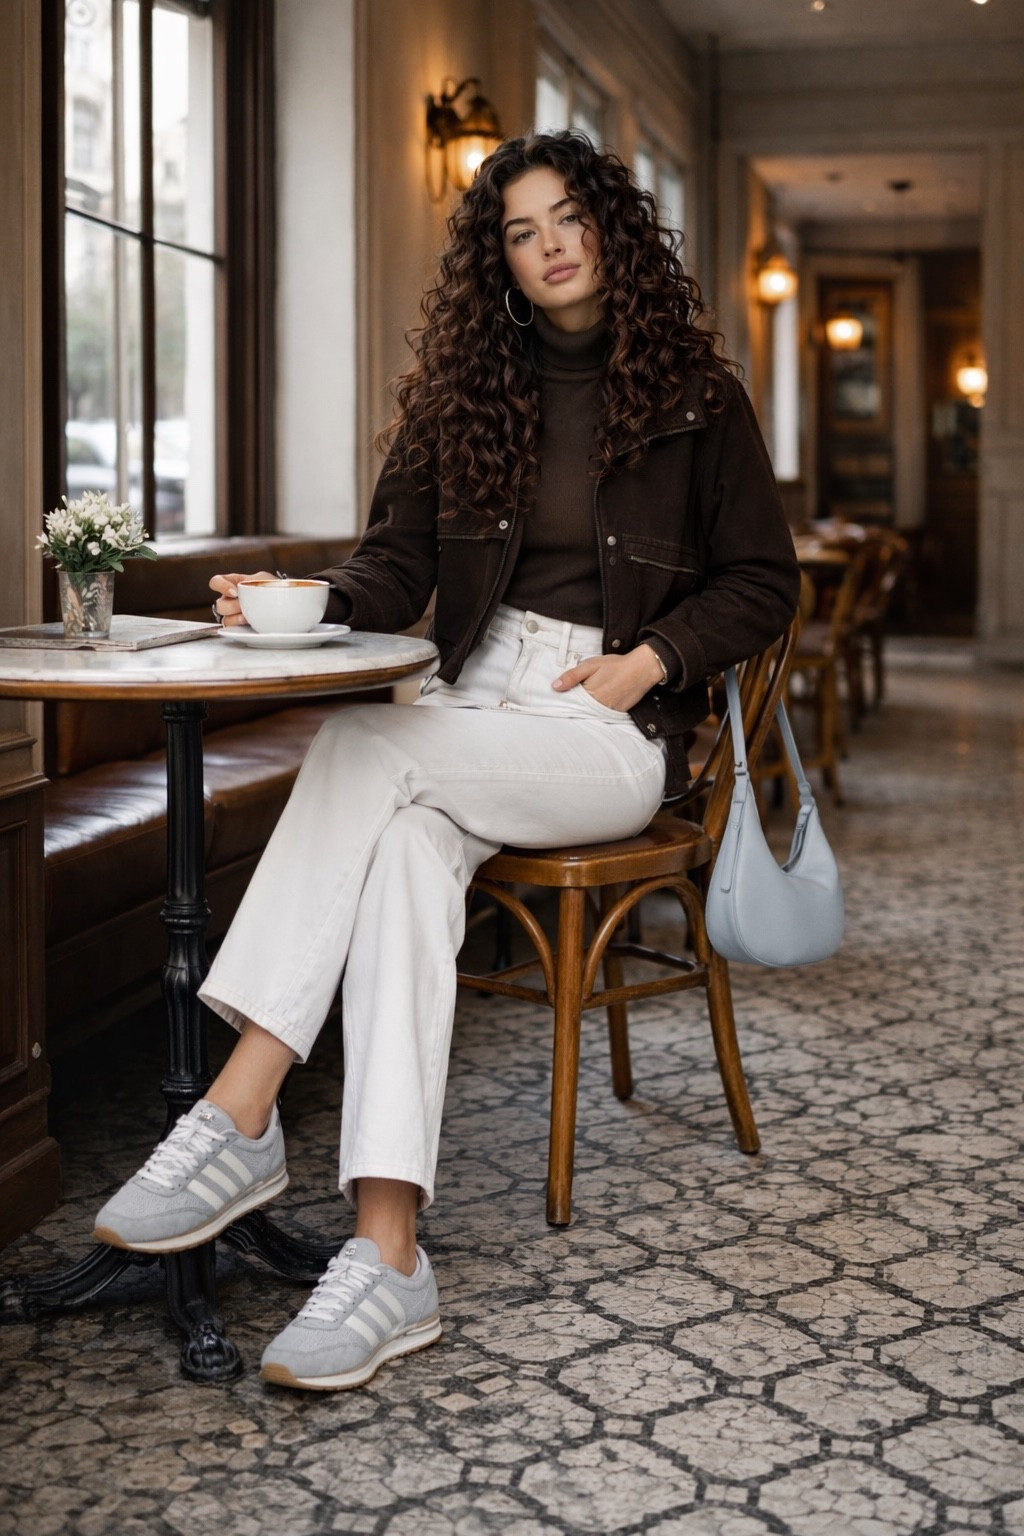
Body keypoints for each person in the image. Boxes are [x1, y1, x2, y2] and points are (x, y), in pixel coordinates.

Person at [93, 131, 800, 1391]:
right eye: (520, 232)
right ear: (500, 261)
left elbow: (762, 582)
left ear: (612, 229)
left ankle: (237, 1107)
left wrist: (653, 663)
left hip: (603, 721)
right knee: (409, 859)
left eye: (567, 217)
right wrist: (305, 595)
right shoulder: (464, 393)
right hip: (472, 708)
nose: (550, 245)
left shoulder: (699, 396)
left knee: (368, 746)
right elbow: (396, 568)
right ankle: (388, 1254)